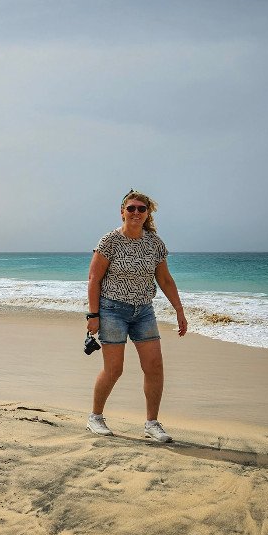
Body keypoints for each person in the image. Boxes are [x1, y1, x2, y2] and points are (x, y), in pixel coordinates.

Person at [86, 189, 187, 442]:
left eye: (141, 209)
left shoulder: (154, 243)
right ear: (122, 212)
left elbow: (164, 279)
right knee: (114, 369)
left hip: (143, 311)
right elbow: (94, 279)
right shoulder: (110, 241)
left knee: (154, 367)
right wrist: (93, 314)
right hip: (112, 310)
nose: (136, 213)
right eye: (131, 208)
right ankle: (95, 418)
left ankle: (152, 424)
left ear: (147, 214)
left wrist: (179, 310)